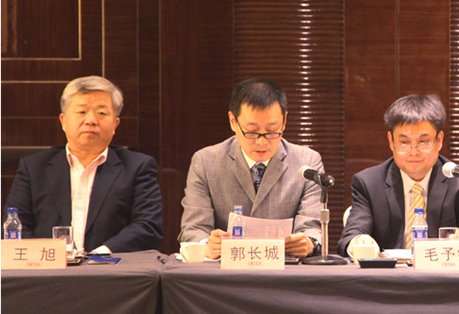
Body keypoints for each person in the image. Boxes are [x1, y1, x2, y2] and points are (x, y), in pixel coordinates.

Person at [2, 76, 164, 253]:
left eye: (101, 113)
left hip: (111, 266)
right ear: (63, 121)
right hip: (48, 266)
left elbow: (148, 227)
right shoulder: (34, 167)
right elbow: (14, 226)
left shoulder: (137, 167)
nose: (91, 120)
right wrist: (52, 257)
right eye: (81, 112)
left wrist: (100, 255)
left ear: (115, 124)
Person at [179, 78, 323, 259]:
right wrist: (207, 245)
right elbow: (194, 229)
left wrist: (308, 243)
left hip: (285, 268)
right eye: (252, 131)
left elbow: (311, 227)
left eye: (272, 131)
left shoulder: (307, 162)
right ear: (233, 121)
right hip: (225, 269)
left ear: (284, 121)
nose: (261, 141)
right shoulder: (206, 162)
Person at [337, 94, 459, 256]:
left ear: (439, 140)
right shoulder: (369, 184)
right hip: (388, 271)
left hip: (441, 270)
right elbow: (350, 237)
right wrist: (358, 241)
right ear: (391, 141)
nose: (413, 152)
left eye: (423, 142)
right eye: (404, 142)